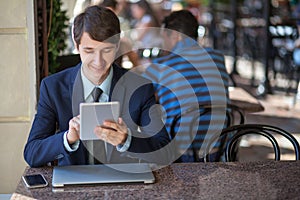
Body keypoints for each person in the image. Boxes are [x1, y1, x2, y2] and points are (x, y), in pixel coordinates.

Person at [24, 5, 171, 167]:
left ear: (117, 46)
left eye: (106, 50)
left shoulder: (140, 87)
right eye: (89, 51)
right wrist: (68, 138)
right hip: (73, 184)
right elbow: (32, 153)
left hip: (123, 183)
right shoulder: (53, 88)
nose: (98, 61)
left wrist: (126, 140)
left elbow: (164, 152)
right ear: (76, 45)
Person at [142, 10, 230, 162]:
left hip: (180, 154)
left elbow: (138, 96)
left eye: (164, 38)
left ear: (175, 36)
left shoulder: (161, 66)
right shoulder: (218, 58)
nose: (163, 45)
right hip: (219, 149)